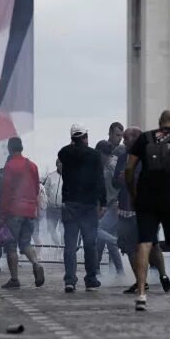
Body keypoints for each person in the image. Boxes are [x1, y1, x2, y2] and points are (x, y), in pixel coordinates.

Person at [126, 110, 170, 310]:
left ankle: (141, 294)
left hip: (145, 198)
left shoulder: (144, 138)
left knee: (145, 243)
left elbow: (129, 169)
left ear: (159, 122)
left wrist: (132, 194)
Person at [116, 126, 170, 295]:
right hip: (125, 209)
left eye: (126, 138)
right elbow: (115, 182)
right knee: (129, 246)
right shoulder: (122, 157)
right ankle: (141, 281)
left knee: (152, 244)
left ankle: (164, 277)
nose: (123, 142)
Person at [58, 124, 107, 292]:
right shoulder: (94, 155)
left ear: (72, 138)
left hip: (70, 203)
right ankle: (91, 279)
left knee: (70, 244)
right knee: (90, 243)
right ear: (85, 137)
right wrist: (104, 202)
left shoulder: (64, 153)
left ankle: (70, 280)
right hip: (88, 204)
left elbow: (64, 153)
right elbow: (100, 180)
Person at [0, 137, 46, 289]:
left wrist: (2, 214)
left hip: (14, 210)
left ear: (10, 149)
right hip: (30, 210)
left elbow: (6, 191)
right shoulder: (32, 165)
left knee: (11, 246)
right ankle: (36, 264)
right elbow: (37, 189)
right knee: (25, 243)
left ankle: (14, 279)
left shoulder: (10, 166)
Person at [95, 139, 125, 276]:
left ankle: (100, 270)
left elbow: (123, 184)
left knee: (100, 233)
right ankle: (117, 272)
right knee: (103, 239)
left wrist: (119, 201)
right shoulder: (102, 165)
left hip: (114, 206)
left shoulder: (113, 165)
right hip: (106, 205)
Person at [42, 160, 64, 247]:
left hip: (64, 209)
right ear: (57, 164)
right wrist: (47, 201)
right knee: (51, 230)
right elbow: (44, 191)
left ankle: (63, 248)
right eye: (60, 163)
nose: (61, 165)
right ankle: (58, 245)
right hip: (51, 208)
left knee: (64, 230)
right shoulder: (51, 176)